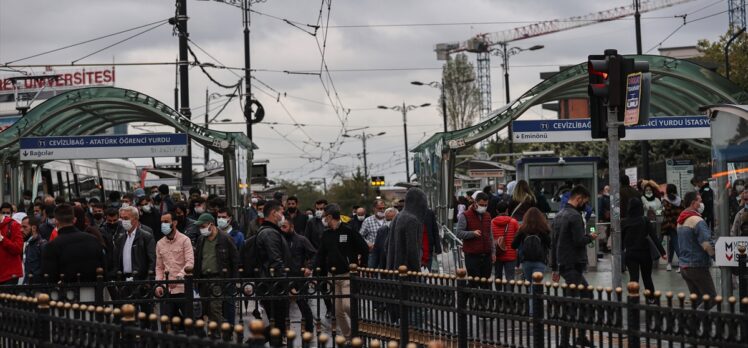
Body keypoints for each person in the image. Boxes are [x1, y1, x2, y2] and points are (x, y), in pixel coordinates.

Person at [314, 203, 369, 339]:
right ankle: (349, 336)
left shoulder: (348, 231)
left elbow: (364, 248)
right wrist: (316, 273)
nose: (324, 220)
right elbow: (320, 254)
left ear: (330, 217)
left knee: (347, 306)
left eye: (325, 217)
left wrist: (362, 265)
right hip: (332, 276)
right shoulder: (326, 234)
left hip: (347, 275)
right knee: (338, 312)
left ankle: (360, 326)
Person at [550, 185, 596, 347]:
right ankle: (581, 336)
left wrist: (554, 267)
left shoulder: (559, 215)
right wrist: (590, 237)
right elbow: (578, 241)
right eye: (585, 201)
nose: (585, 204)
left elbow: (553, 243)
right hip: (573, 264)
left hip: (563, 265)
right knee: (586, 297)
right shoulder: (575, 216)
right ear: (579, 198)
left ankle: (566, 341)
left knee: (571, 300)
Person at [253, 200, 292, 337]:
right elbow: (276, 261)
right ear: (274, 213)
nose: (283, 215)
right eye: (281, 212)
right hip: (273, 285)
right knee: (278, 327)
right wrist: (285, 283)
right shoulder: (270, 233)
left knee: (277, 327)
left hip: (272, 284)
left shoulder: (271, 231)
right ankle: (252, 344)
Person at [41, 204, 106, 283]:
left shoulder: (51, 246)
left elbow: (49, 278)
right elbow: (103, 269)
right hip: (93, 291)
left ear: (56, 221)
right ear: (74, 220)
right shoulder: (93, 240)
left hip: (67, 293)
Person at [194, 213, 239, 324]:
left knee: (215, 308)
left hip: (218, 278)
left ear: (211, 224)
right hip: (204, 279)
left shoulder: (225, 238)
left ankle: (221, 333)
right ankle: (215, 331)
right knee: (206, 309)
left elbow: (235, 260)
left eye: (203, 226)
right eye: (200, 227)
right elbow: (198, 258)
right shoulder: (201, 240)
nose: (201, 229)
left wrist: (234, 280)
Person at [677, 191, 716, 309]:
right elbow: (706, 244)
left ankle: (694, 326)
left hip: (685, 266)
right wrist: (717, 258)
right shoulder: (697, 221)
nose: (702, 204)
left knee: (698, 300)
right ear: (694, 203)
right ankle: (690, 322)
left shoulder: (681, 219)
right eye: (700, 201)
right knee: (711, 299)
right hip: (697, 266)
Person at [622, 198, 666, 301]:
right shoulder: (645, 220)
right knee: (647, 278)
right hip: (645, 254)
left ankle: (633, 299)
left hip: (631, 254)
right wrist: (662, 252)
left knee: (633, 278)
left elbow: (621, 240)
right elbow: (654, 237)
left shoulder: (625, 221)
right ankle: (651, 299)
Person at [155, 211, 194, 321]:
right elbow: (159, 267)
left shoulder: (185, 240)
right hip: (166, 290)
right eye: (162, 222)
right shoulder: (159, 243)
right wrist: (158, 284)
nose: (163, 224)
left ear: (175, 223)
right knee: (166, 322)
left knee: (189, 322)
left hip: (183, 289)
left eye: (166, 222)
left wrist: (178, 278)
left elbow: (189, 262)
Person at [279, 217, 316, 334]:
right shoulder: (279, 239)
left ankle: (309, 330)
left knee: (303, 304)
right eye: (281, 227)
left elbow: (314, 255)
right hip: (283, 277)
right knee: (283, 307)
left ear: (291, 226)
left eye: (284, 226)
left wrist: (309, 267)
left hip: (299, 276)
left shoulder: (301, 240)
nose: (282, 229)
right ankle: (283, 331)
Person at [455, 192, 495, 286]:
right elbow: (459, 233)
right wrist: (472, 233)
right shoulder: (465, 215)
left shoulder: (487, 215)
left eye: (486, 205)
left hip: (486, 256)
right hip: (472, 256)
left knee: (486, 284)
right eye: (481, 205)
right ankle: (473, 299)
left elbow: (490, 236)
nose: (484, 207)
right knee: (474, 284)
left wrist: (493, 252)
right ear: (475, 202)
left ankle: (483, 301)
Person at [386, 188, 429, 272]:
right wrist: (417, 272)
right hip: (407, 272)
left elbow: (386, 244)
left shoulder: (398, 216)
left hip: (394, 270)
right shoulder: (412, 220)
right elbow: (412, 250)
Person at [112, 206, 156, 282]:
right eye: (121, 218)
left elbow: (152, 260)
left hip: (140, 280)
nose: (123, 221)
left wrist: (148, 279)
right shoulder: (120, 238)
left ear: (136, 219)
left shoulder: (146, 237)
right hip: (123, 280)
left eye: (126, 218)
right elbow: (116, 261)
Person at [512, 207, 552, 282]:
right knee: (537, 284)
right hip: (540, 261)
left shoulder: (523, 229)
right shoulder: (543, 229)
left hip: (526, 261)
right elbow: (550, 244)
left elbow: (513, 245)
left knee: (528, 283)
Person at [491, 201, 519, 280]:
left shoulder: (492, 222)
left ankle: (498, 291)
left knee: (497, 277)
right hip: (511, 254)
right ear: (507, 210)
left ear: (497, 210)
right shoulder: (513, 222)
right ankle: (509, 292)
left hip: (497, 254)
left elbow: (490, 238)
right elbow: (518, 236)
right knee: (510, 278)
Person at [662, 184, 684, 272]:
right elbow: (682, 212)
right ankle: (669, 263)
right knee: (672, 243)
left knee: (675, 243)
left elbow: (666, 214)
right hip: (678, 224)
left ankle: (681, 263)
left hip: (670, 225)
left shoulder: (665, 201)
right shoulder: (680, 201)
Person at [359, 199, 387, 267]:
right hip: (373, 253)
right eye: (380, 208)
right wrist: (368, 243)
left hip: (386, 253)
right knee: (372, 273)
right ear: (374, 209)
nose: (382, 210)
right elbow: (360, 236)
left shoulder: (388, 219)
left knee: (386, 274)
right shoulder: (367, 221)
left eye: (384, 208)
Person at [0, 204, 23, 285]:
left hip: (10, 275)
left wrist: (3, 239)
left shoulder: (14, 225)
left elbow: (18, 249)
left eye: (7, 212)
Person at [22, 215, 46, 284]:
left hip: (37, 288)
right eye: (21, 227)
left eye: (24, 227)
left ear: (34, 228)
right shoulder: (28, 244)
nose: (21, 230)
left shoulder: (42, 245)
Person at [598, 185, 611, 252]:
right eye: (606, 189)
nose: (607, 191)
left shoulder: (607, 198)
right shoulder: (602, 198)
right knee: (604, 232)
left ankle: (604, 246)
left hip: (608, 218)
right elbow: (600, 208)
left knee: (607, 232)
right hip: (604, 218)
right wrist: (600, 218)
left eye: (608, 189)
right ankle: (603, 246)